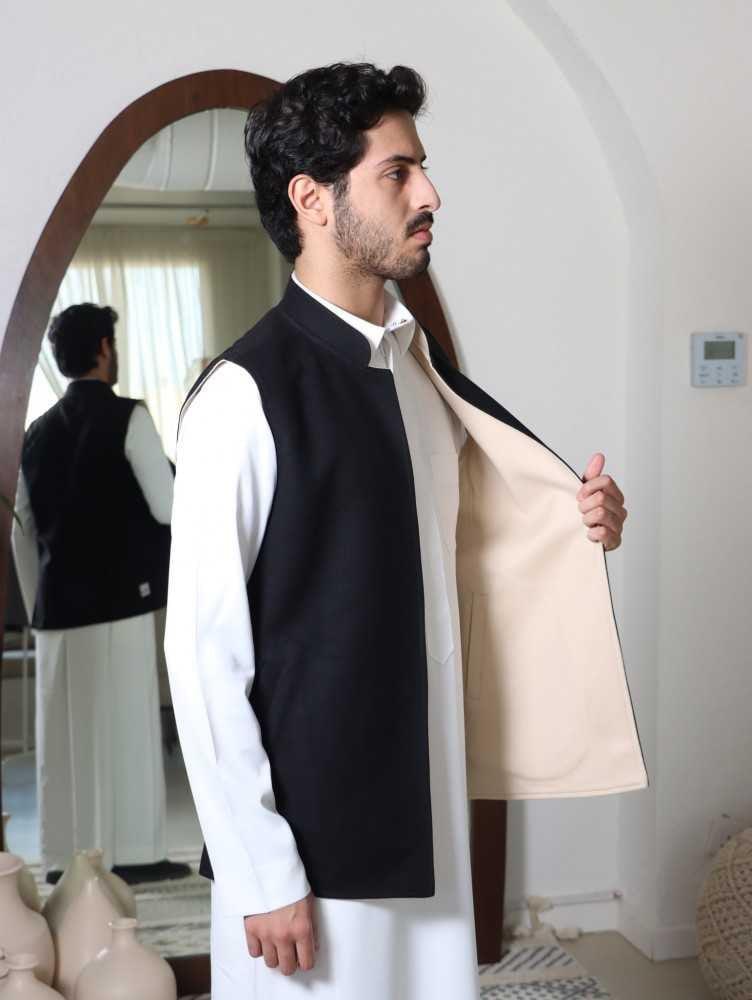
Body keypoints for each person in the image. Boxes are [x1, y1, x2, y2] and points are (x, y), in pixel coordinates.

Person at [164, 62, 646, 998]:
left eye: (421, 167)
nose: (430, 194)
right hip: (310, 847)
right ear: (312, 199)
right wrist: (262, 871)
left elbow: (460, 553)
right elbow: (202, 653)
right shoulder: (241, 396)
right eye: (398, 172)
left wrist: (579, 519)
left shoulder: (421, 377)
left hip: (428, 807)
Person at [11, 302, 190, 885]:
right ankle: (136, 855)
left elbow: (21, 531)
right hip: (121, 600)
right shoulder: (128, 417)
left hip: (56, 610)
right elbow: (168, 507)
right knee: (129, 728)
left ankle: (63, 860)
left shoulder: (35, 433)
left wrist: (39, 605)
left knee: (62, 742)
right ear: (104, 349)